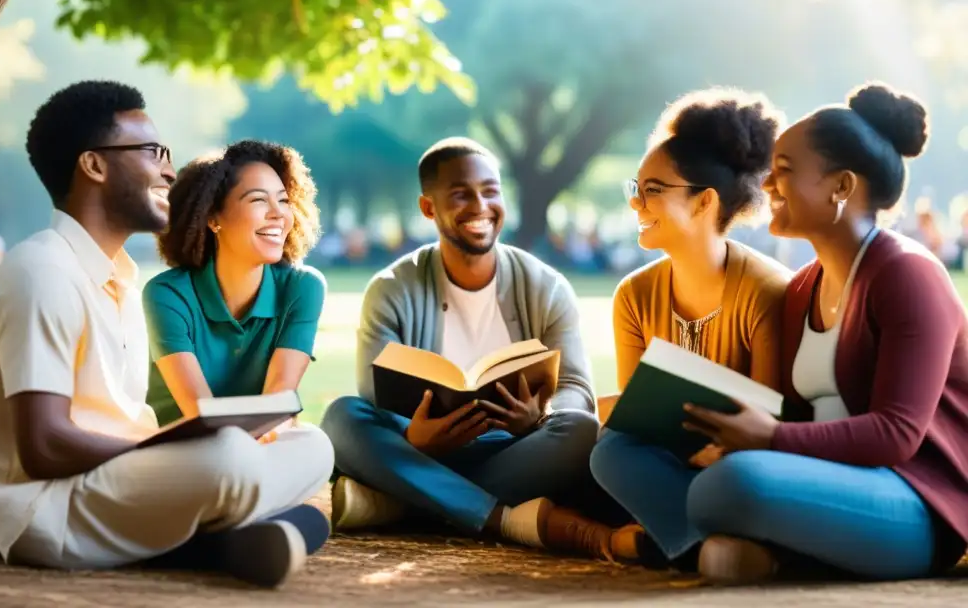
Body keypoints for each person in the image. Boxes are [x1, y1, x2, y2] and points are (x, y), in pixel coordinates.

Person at [0, 82, 334, 588]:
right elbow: (43, 446)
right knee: (230, 457)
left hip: (116, 483)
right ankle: (219, 537)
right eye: (151, 152)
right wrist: (166, 452)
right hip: (51, 508)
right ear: (94, 165)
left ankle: (214, 543)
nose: (169, 172)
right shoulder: (41, 270)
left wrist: (170, 453)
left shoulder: (120, 279)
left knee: (313, 446)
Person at [636, 83, 968, 584]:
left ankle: (737, 541)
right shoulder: (801, 289)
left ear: (841, 187)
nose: (766, 184)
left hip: (914, 503)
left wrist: (769, 437)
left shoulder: (908, 274)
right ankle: (765, 552)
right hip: (825, 485)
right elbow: (795, 410)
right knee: (625, 453)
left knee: (727, 487)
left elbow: (897, 434)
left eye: (785, 171)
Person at [321, 137, 629, 559]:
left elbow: (577, 388)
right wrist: (415, 437)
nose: (480, 206)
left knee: (578, 429)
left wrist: (539, 417)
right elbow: (375, 393)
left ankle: (403, 503)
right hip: (417, 446)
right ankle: (499, 517)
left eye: (490, 191)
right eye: (461, 194)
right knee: (342, 416)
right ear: (429, 208)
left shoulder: (547, 287)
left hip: (514, 450)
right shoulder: (391, 289)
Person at [589, 88, 792, 567]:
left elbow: (776, 422)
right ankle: (700, 545)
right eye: (635, 190)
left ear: (705, 202)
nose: (637, 205)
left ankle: (688, 541)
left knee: (735, 477)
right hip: (670, 465)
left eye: (653, 191)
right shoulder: (633, 297)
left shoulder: (767, 291)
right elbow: (635, 423)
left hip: (747, 463)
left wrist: (720, 452)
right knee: (608, 451)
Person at [144, 139, 324, 432]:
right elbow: (198, 411)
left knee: (315, 441)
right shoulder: (167, 294)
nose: (278, 213)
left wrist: (269, 436)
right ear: (213, 218)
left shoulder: (303, 287)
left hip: (263, 437)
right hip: (185, 445)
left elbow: (278, 399)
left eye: (283, 200)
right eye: (258, 200)